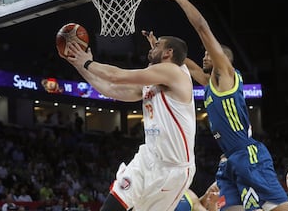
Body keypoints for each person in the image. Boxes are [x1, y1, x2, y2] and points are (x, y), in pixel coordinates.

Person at [162, 0, 288, 211]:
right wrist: (162, 51)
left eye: (208, 54)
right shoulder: (211, 83)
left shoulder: (225, 74)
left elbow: (202, 27)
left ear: (223, 59)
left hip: (247, 154)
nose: (204, 56)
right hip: (230, 158)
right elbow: (188, 66)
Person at [64, 33, 196, 211]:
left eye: (156, 46)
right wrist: (80, 65)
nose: (151, 49)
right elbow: (111, 89)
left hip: (173, 169)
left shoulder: (174, 71)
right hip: (147, 158)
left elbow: (116, 76)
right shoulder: (151, 82)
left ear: (168, 53)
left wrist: (88, 62)